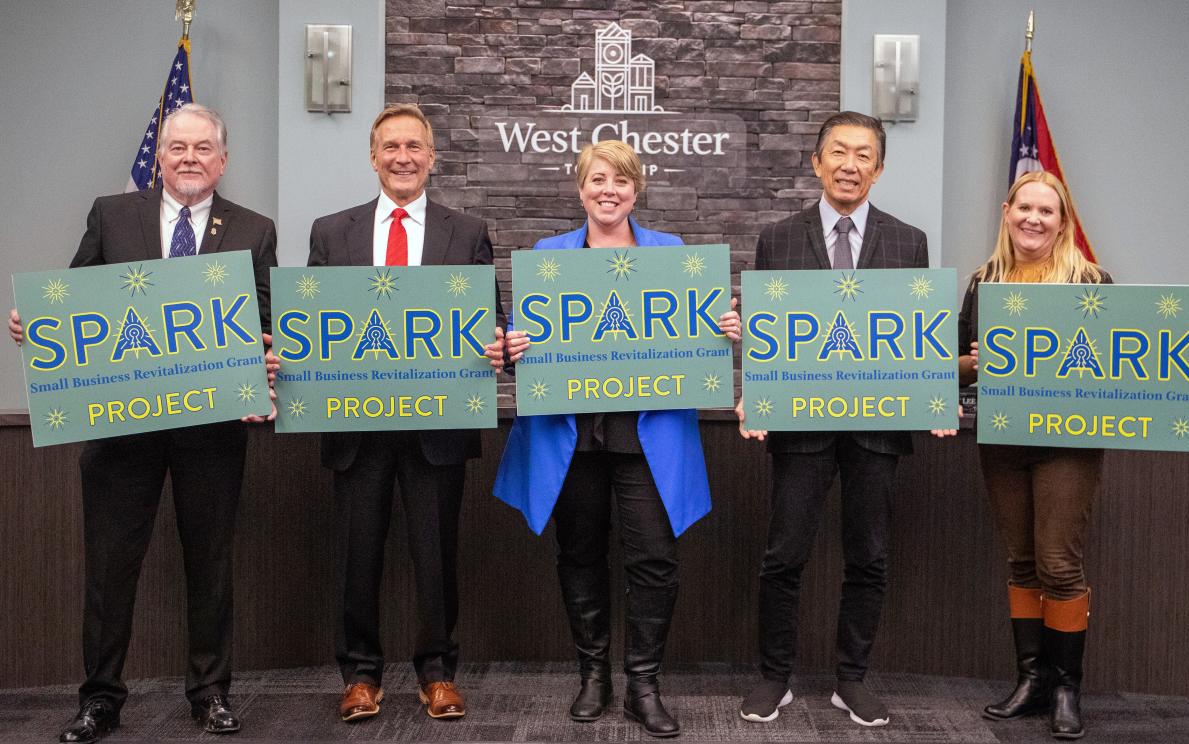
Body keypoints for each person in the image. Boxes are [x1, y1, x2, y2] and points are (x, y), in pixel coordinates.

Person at [8, 103, 277, 743]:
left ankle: (210, 694)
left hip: (211, 433)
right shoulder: (113, 214)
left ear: (223, 159)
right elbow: (77, 300)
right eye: (177, 147)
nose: (189, 158)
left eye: (202, 148)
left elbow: (265, 317)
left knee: (210, 568)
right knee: (108, 570)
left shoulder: (255, 228)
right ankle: (100, 700)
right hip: (121, 430)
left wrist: (269, 352)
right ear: (159, 157)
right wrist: (38, 329)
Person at [488, 140, 741, 738]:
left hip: (646, 436)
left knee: (654, 559)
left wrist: (722, 328)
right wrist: (512, 349)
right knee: (579, 554)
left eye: (622, 181)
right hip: (571, 436)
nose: (610, 190)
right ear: (580, 189)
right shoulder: (549, 256)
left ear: (637, 190)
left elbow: (695, 336)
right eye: (598, 179)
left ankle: (643, 684)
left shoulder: (671, 254)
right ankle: (593, 676)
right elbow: (521, 348)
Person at [951, 170, 1189, 740]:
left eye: (1047, 211)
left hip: (1068, 444)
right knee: (1021, 562)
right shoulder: (984, 281)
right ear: (1007, 210)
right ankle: (1031, 683)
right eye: (1025, 208)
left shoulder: (1093, 281)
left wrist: (1184, 365)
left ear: (1062, 221)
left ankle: (1067, 688)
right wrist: (973, 361)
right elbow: (958, 367)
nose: (1034, 219)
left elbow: (1127, 357)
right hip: (1003, 439)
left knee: (1058, 564)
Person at [304, 103, 495, 723]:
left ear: (432, 157)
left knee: (436, 555)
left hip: (437, 428)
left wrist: (494, 344)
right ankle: (360, 676)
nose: (403, 157)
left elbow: (484, 323)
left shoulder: (465, 232)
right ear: (373, 156)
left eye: (415, 146)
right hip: (356, 426)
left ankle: (438, 673)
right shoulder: (332, 232)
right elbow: (312, 324)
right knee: (359, 556)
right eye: (391, 147)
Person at [736, 111, 926, 727]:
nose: (850, 164)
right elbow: (766, 333)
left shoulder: (909, 241)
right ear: (816, 162)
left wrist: (931, 399)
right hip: (800, 423)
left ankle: (852, 678)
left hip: (878, 425)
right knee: (784, 554)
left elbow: (915, 337)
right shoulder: (778, 239)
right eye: (839, 152)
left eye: (864, 155)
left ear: (879, 167)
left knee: (868, 556)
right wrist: (754, 393)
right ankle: (774, 677)